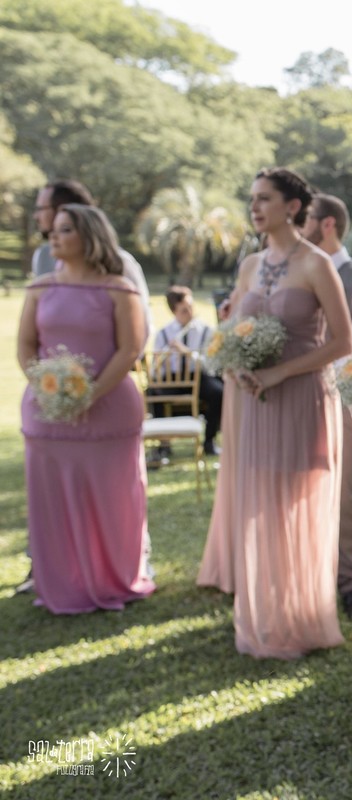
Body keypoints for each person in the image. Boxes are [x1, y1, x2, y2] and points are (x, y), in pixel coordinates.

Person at [196, 167, 351, 659]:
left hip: (300, 396)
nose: (255, 207)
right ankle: (260, 611)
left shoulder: (317, 264)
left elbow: (342, 342)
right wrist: (236, 363)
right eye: (252, 199)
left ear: (292, 206)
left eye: (265, 198)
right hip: (252, 402)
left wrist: (280, 374)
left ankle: (300, 617)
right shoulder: (249, 265)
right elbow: (234, 329)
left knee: (294, 501)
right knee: (258, 501)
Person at [18, 203, 155, 613]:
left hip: (109, 410)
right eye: (52, 231)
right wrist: (45, 387)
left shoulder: (119, 289)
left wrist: (89, 395)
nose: (53, 237)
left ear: (88, 237)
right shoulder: (39, 288)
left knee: (115, 499)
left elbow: (130, 348)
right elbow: (26, 346)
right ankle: (61, 583)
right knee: (52, 501)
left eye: (63, 230)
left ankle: (116, 578)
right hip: (46, 413)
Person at [301, 192, 352, 622]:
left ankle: (350, 587)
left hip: (340, 401)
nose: (300, 224)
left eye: (308, 218)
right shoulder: (295, 269)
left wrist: (328, 384)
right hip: (297, 400)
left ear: (327, 224)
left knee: (346, 495)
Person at [31, 180, 152, 340]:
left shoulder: (119, 262)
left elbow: (140, 326)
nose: (36, 216)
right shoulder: (42, 257)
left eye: (41, 208)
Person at [149, 285, 224, 459]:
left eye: (191, 307)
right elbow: (155, 368)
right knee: (154, 392)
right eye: (184, 310)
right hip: (173, 379)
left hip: (199, 376)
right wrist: (166, 355)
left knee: (218, 392)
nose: (189, 312)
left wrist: (187, 352)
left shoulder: (205, 331)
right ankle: (164, 445)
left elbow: (210, 364)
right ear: (173, 311)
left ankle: (210, 441)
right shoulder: (164, 334)